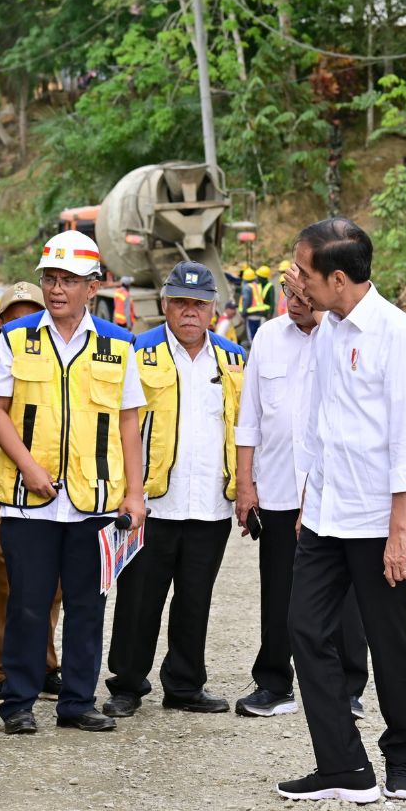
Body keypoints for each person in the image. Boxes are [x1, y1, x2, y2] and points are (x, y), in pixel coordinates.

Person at [277, 217, 406, 804]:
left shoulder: (397, 335)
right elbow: (317, 426)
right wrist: (307, 498)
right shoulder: (328, 331)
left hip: (377, 519)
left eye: (303, 271)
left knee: (388, 642)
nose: (296, 280)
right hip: (324, 515)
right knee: (304, 628)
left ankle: (400, 759)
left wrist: (399, 532)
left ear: (337, 278)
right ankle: (342, 763)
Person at [0, 230, 147, 735]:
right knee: (27, 603)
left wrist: (135, 494)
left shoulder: (118, 346)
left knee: (86, 605)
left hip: (95, 498)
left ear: (91, 287)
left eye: (68, 280)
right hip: (28, 502)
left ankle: (77, 700)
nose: (56, 290)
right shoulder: (16, 338)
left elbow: (128, 423)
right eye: (50, 279)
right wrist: (28, 467)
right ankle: (19, 702)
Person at [102, 263, 245, 720]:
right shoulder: (136, 353)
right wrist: (129, 492)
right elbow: (117, 428)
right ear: (164, 304)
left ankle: (185, 684)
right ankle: (126, 684)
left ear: (212, 310)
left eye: (199, 304)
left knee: (195, 599)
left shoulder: (233, 359)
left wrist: (245, 488)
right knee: (139, 599)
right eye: (180, 303)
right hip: (152, 504)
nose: (189, 312)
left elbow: (244, 427)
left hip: (209, 504)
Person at [233, 277, 369, 720]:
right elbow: (249, 416)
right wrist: (245, 485)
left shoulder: (340, 336)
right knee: (278, 590)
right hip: (277, 489)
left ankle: (348, 688)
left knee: (343, 593)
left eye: (302, 296)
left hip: (333, 490)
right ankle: (274, 684)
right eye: (288, 295)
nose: (293, 303)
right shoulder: (268, 338)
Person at [0, 282, 64, 706]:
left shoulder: (57, 361)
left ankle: (45, 665)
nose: (25, 322)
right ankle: (2, 669)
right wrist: (18, 471)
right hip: (3, 494)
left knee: (49, 586)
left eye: (33, 313)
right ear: (1, 322)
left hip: (52, 493)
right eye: (16, 316)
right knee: (1, 585)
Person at [242, 265, 273, 339]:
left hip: (251, 314)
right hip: (261, 313)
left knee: (252, 336)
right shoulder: (257, 286)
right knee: (260, 335)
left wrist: (243, 312)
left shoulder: (247, 287)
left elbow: (246, 300)